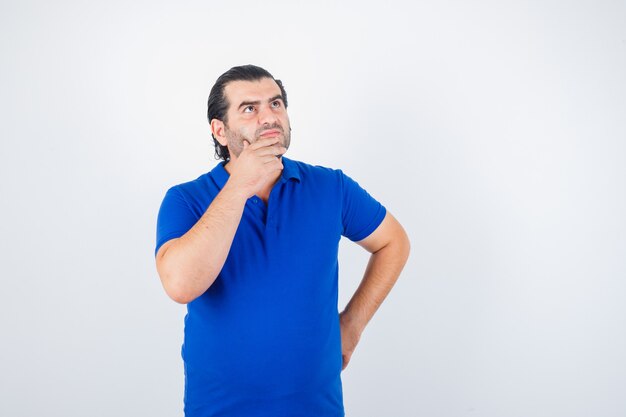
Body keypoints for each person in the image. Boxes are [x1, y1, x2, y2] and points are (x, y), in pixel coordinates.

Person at [154, 64, 410, 417]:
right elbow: (179, 285)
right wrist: (240, 185)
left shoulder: (331, 187)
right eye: (250, 109)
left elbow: (393, 242)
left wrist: (352, 324)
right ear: (220, 131)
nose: (269, 117)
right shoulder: (186, 200)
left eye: (276, 104)